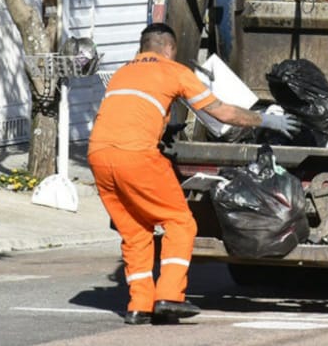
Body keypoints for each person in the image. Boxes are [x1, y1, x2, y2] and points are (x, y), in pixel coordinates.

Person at [88, 22, 299, 325]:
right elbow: (221, 112)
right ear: (170, 48)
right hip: (136, 155)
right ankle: (170, 297)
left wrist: (164, 127)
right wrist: (264, 120)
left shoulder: (122, 73)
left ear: (142, 46)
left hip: (99, 156)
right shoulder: (174, 71)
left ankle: (138, 305)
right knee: (180, 222)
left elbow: (131, 112)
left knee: (135, 232)